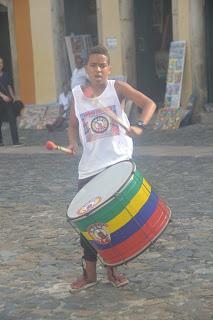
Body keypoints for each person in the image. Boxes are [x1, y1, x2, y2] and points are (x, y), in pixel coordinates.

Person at [67, 45, 156, 292]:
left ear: (109, 68)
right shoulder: (77, 94)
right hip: (89, 169)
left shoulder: (118, 88)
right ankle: (89, 275)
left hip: (116, 165)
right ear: (86, 68)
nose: (98, 69)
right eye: (93, 64)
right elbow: (73, 125)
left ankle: (112, 270)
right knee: (88, 223)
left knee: (112, 223)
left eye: (102, 65)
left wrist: (139, 124)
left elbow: (149, 104)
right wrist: (72, 143)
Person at [0, 56, 22, 146]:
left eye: (1, 63)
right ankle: (0, 142)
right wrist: (2, 96)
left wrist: (14, 97)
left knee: (12, 120)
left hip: (8, 101)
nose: (0, 65)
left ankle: (15, 142)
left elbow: (9, 87)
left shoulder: (6, 75)